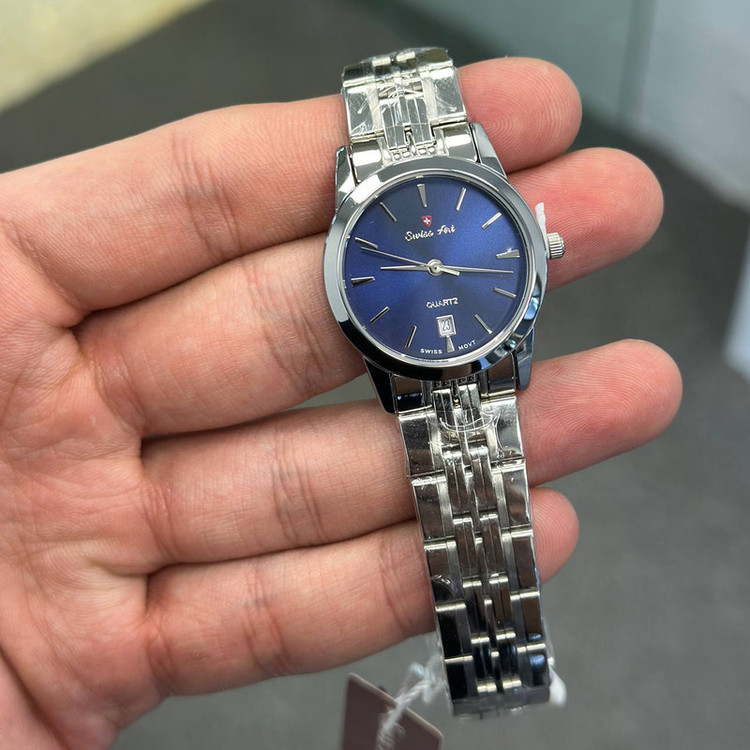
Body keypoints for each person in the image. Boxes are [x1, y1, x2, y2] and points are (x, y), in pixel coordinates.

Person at [0, 56, 682, 749]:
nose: (436, 266)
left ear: (538, 245)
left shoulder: (456, 197)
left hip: (472, 347)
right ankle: (496, 666)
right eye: (424, 264)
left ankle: (501, 663)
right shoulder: (399, 224)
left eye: (444, 259)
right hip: (420, 362)